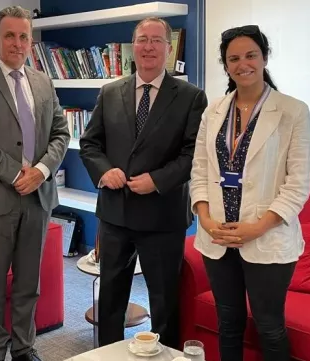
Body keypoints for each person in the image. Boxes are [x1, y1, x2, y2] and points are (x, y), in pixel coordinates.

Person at [79, 16, 208, 348]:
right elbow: (90, 143)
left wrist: (158, 180)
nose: (148, 46)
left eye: (156, 40)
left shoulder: (191, 97)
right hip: (115, 215)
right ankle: (108, 354)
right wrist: (104, 170)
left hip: (163, 216)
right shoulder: (109, 92)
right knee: (110, 300)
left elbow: (194, 153)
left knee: (165, 302)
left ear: (168, 48)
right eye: (142, 40)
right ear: (132, 47)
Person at [189, 25, 310, 361]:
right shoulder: (213, 111)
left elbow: (298, 184)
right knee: (227, 321)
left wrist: (256, 228)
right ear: (225, 65)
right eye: (234, 58)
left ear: (264, 58)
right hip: (217, 235)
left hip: (266, 237)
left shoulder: (292, 111)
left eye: (250, 55)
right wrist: (204, 218)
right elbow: (200, 170)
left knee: (269, 325)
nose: (243, 64)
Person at [0, 6, 70, 361]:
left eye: (23, 36)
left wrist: (42, 171)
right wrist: (16, 173)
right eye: (9, 35)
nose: (17, 43)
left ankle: (23, 348)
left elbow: (61, 133)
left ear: (30, 41)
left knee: (28, 283)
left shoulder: (43, 81)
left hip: (38, 196)